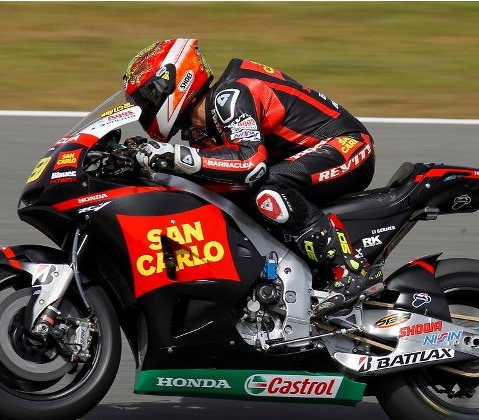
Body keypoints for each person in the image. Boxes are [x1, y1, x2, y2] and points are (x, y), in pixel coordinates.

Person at [123, 38, 382, 312]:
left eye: (148, 97)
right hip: (305, 158)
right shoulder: (201, 130)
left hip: (347, 145)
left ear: (177, 83)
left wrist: (174, 156)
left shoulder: (230, 96)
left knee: (267, 189)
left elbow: (249, 164)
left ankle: (351, 270)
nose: (145, 108)